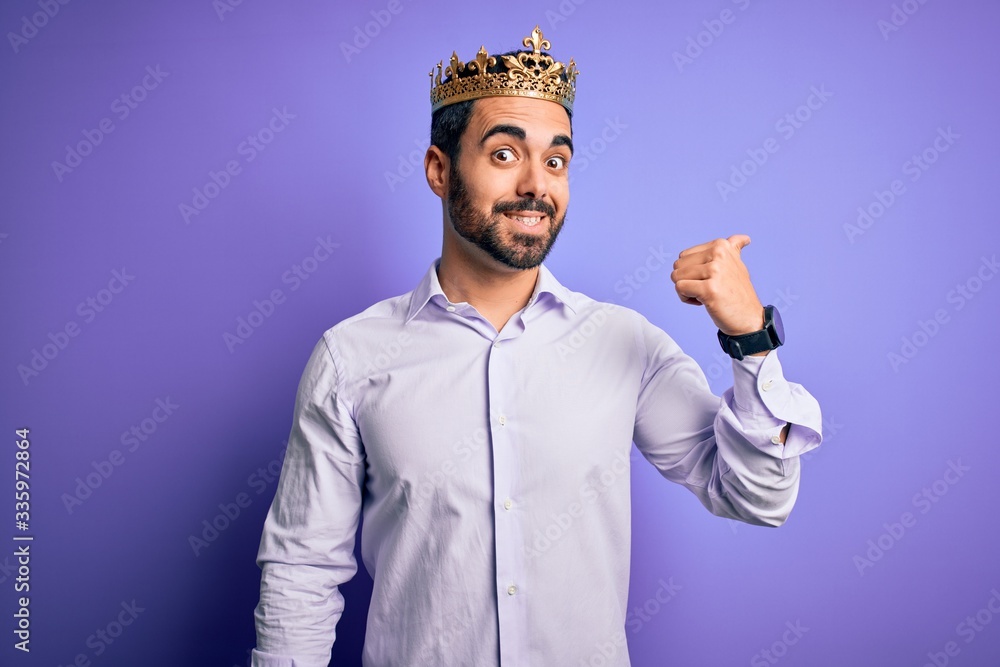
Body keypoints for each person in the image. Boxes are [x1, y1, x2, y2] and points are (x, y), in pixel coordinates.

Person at [251, 25, 823, 667]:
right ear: (439, 171)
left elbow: (757, 497)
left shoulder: (623, 344)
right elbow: (301, 572)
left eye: (556, 160)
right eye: (503, 154)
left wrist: (750, 341)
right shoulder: (351, 358)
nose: (536, 185)